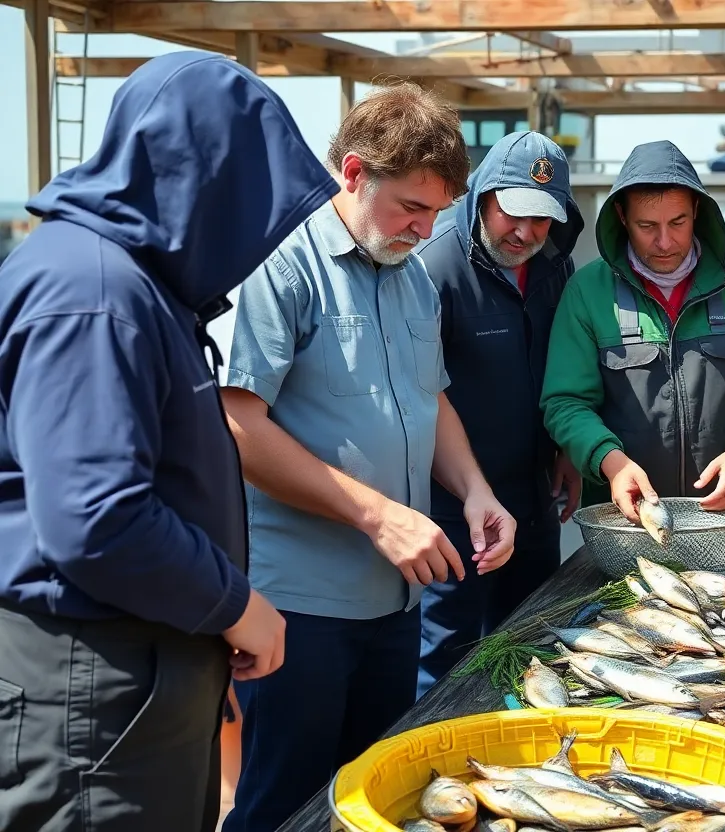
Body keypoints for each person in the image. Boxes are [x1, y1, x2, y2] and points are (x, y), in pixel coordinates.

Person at [0, 52, 321, 832]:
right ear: (197, 181)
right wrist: (233, 602)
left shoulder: (136, 285)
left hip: (137, 684)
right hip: (91, 695)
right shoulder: (93, 293)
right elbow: (95, 518)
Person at [219, 82, 517, 832]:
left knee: (373, 798)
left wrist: (476, 491)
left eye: (437, 214)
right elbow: (236, 423)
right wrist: (378, 515)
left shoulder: (413, 277)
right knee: (283, 805)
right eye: (411, 208)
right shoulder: (279, 264)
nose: (423, 230)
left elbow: (432, 401)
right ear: (353, 174)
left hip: (395, 602)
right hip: (299, 609)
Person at [540, 140, 725, 521]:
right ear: (620, 215)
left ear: (697, 211)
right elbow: (565, 403)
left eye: (678, 223)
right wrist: (610, 463)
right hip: (624, 521)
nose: (664, 242)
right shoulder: (587, 292)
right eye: (647, 226)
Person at [414, 132, 585, 697]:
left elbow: (562, 367)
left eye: (542, 220)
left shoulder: (554, 267)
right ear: (483, 196)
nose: (526, 233)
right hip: (451, 503)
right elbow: (418, 393)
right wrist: (466, 491)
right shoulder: (431, 268)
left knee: (530, 638)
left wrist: (563, 451)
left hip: (533, 493)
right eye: (514, 214)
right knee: (445, 652)